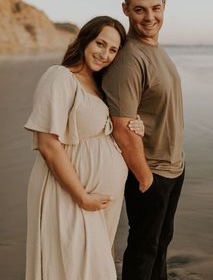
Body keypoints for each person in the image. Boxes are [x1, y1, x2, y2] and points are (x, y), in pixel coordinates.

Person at [24, 16, 145, 280]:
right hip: (67, 193)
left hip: (96, 200)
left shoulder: (99, 87)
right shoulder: (60, 77)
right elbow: (47, 144)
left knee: (88, 270)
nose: (105, 54)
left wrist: (136, 126)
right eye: (100, 44)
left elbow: (104, 131)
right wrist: (82, 196)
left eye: (113, 50)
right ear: (85, 40)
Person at [102, 0, 185, 280]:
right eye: (139, 10)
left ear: (164, 6)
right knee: (143, 250)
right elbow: (121, 126)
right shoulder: (129, 58)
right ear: (125, 9)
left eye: (155, 8)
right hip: (151, 170)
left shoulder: (156, 51)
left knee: (160, 244)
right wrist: (146, 178)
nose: (149, 17)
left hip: (173, 166)